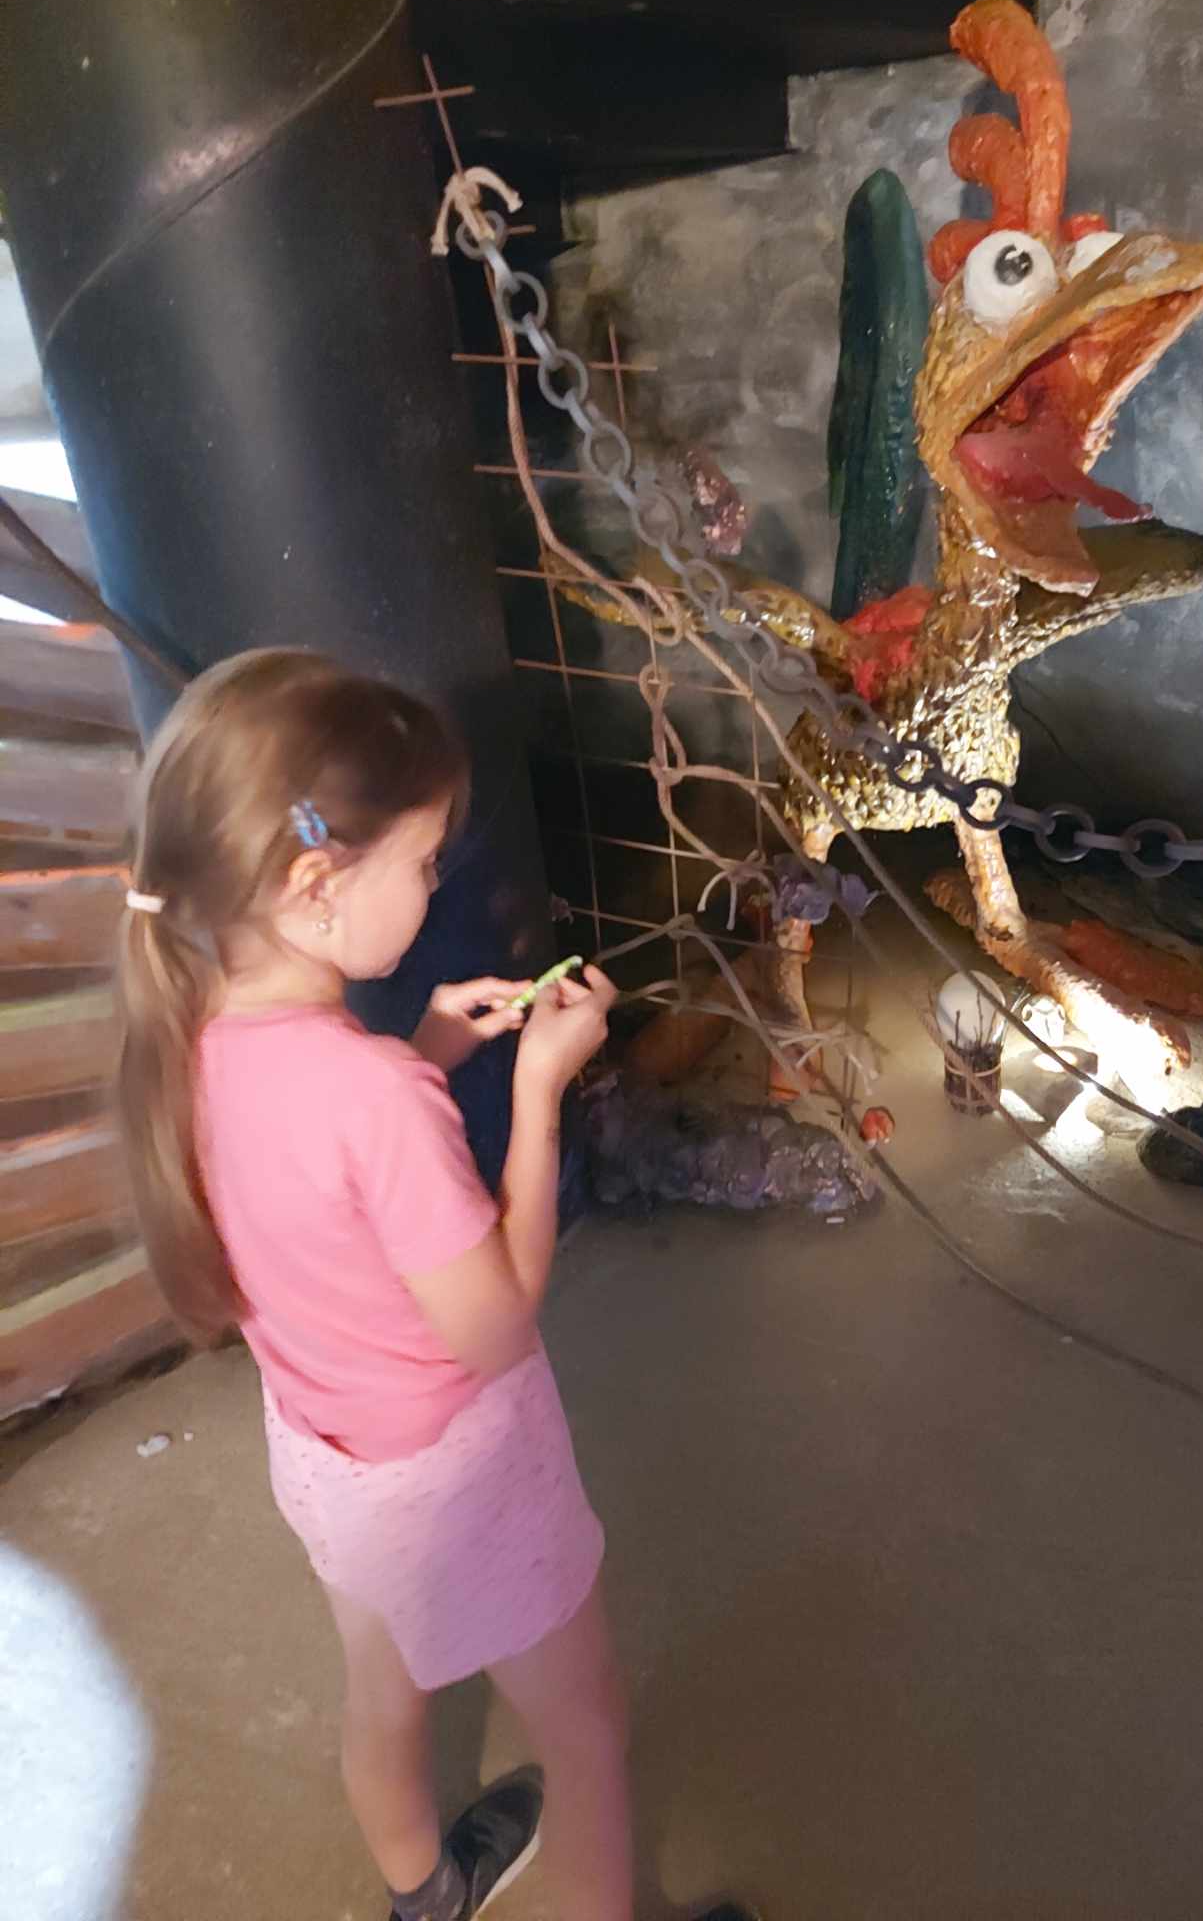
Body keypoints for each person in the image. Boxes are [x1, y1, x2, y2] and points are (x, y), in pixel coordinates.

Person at [115, 648, 757, 1921]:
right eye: (420, 861)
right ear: (316, 886)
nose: (432, 882)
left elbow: (322, 1181)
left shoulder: (195, 1039)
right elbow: (495, 1321)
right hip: (456, 1478)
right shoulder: (374, 1099)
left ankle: (427, 1891)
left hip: (328, 1458)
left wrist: (430, 1045)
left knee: (383, 1684)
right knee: (584, 1730)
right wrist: (538, 1087)